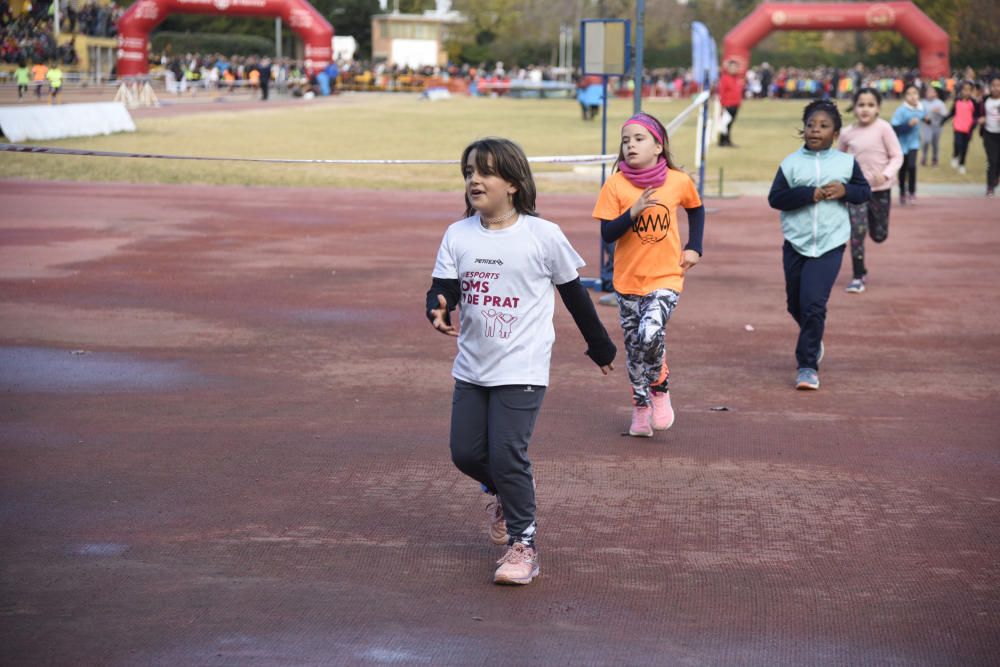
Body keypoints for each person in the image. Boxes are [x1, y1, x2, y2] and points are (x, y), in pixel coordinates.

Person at [426, 137, 616, 586]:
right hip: (472, 366)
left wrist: (601, 347)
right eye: (469, 171)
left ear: (512, 182)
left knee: (508, 453)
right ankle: (505, 493)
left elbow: (575, 297)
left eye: (485, 171)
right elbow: (444, 287)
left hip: (523, 366)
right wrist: (436, 306)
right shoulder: (458, 234)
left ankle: (524, 544)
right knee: (466, 453)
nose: (475, 179)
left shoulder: (543, 235)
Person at [591, 112, 705, 437]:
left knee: (650, 334)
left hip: (666, 277)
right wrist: (633, 212)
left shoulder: (677, 180)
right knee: (634, 348)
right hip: (628, 282)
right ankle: (640, 408)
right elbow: (608, 234)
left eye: (638, 139)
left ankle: (659, 386)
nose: (630, 145)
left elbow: (696, 209)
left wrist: (695, 246)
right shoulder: (615, 185)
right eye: (625, 141)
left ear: (658, 146)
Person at [768, 99, 871, 390]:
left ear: (835, 133)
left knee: (814, 304)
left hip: (830, 243)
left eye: (824, 126)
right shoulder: (790, 164)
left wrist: (845, 190)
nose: (816, 130)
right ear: (803, 130)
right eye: (811, 125)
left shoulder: (846, 163)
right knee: (795, 303)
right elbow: (775, 199)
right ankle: (813, 335)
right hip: (796, 243)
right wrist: (807, 194)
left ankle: (807, 366)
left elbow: (864, 192)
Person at [839, 87, 904, 295]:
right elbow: (839, 160)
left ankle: (876, 232)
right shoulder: (847, 133)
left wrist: (885, 175)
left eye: (870, 105)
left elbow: (897, 156)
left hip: (880, 190)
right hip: (857, 192)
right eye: (861, 105)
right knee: (857, 231)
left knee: (879, 235)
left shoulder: (884, 128)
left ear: (877, 108)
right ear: (854, 107)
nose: (865, 109)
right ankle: (858, 275)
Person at [890, 84, 925, 205]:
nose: (912, 96)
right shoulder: (901, 111)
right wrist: (908, 125)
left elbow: (924, 117)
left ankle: (912, 192)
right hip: (901, 144)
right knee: (903, 169)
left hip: (914, 144)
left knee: (912, 166)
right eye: (909, 94)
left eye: (915, 93)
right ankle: (902, 193)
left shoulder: (920, 108)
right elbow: (894, 128)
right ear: (905, 96)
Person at [945, 81, 980, 175]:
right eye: (964, 89)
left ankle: (962, 164)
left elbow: (976, 117)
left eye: (969, 90)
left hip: (968, 129)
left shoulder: (974, 102)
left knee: (965, 147)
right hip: (957, 127)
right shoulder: (957, 100)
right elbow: (952, 113)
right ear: (961, 90)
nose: (966, 92)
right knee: (957, 143)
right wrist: (942, 121)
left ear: (972, 91)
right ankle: (955, 155)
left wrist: (973, 126)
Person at [980, 75, 1000, 197]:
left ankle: (996, 177)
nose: (996, 88)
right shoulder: (985, 101)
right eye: (993, 85)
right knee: (992, 160)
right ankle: (990, 186)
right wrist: (980, 119)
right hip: (989, 134)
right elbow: (977, 114)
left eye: (998, 85)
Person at [920, 86, 948, 167]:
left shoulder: (940, 103)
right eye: (928, 91)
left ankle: (935, 159)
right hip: (926, 126)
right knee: (926, 141)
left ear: (935, 94)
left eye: (932, 92)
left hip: (937, 127)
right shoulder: (922, 103)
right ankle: (924, 158)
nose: (929, 93)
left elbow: (945, 115)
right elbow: (919, 113)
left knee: (935, 144)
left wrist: (939, 112)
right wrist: (924, 118)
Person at [718, 60, 744, 147]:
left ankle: (727, 140)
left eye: (735, 67)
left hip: (735, 105)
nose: (734, 69)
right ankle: (723, 141)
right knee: (725, 123)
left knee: (730, 124)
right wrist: (722, 106)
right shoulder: (725, 78)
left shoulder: (737, 78)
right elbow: (722, 93)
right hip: (728, 104)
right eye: (732, 67)